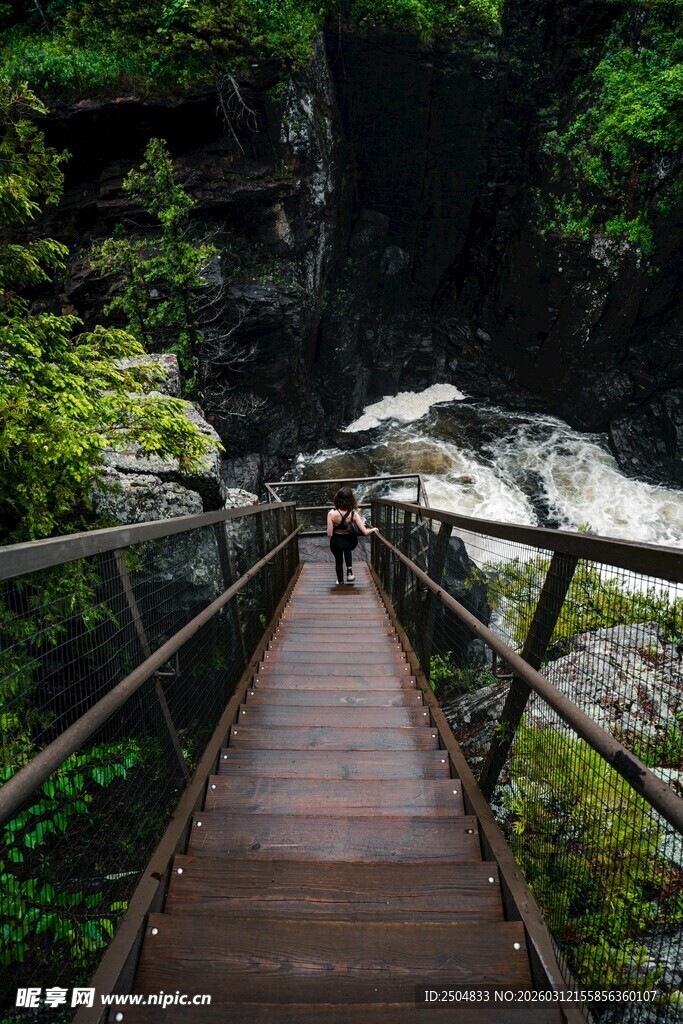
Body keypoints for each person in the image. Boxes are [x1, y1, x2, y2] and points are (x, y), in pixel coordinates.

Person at [327, 486, 379, 585]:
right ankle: (349, 573)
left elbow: (329, 534)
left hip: (337, 541)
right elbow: (365, 532)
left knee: (338, 561)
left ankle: (341, 582)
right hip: (350, 542)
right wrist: (373, 529)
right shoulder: (354, 514)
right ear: (351, 499)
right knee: (347, 549)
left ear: (337, 499)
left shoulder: (331, 514)